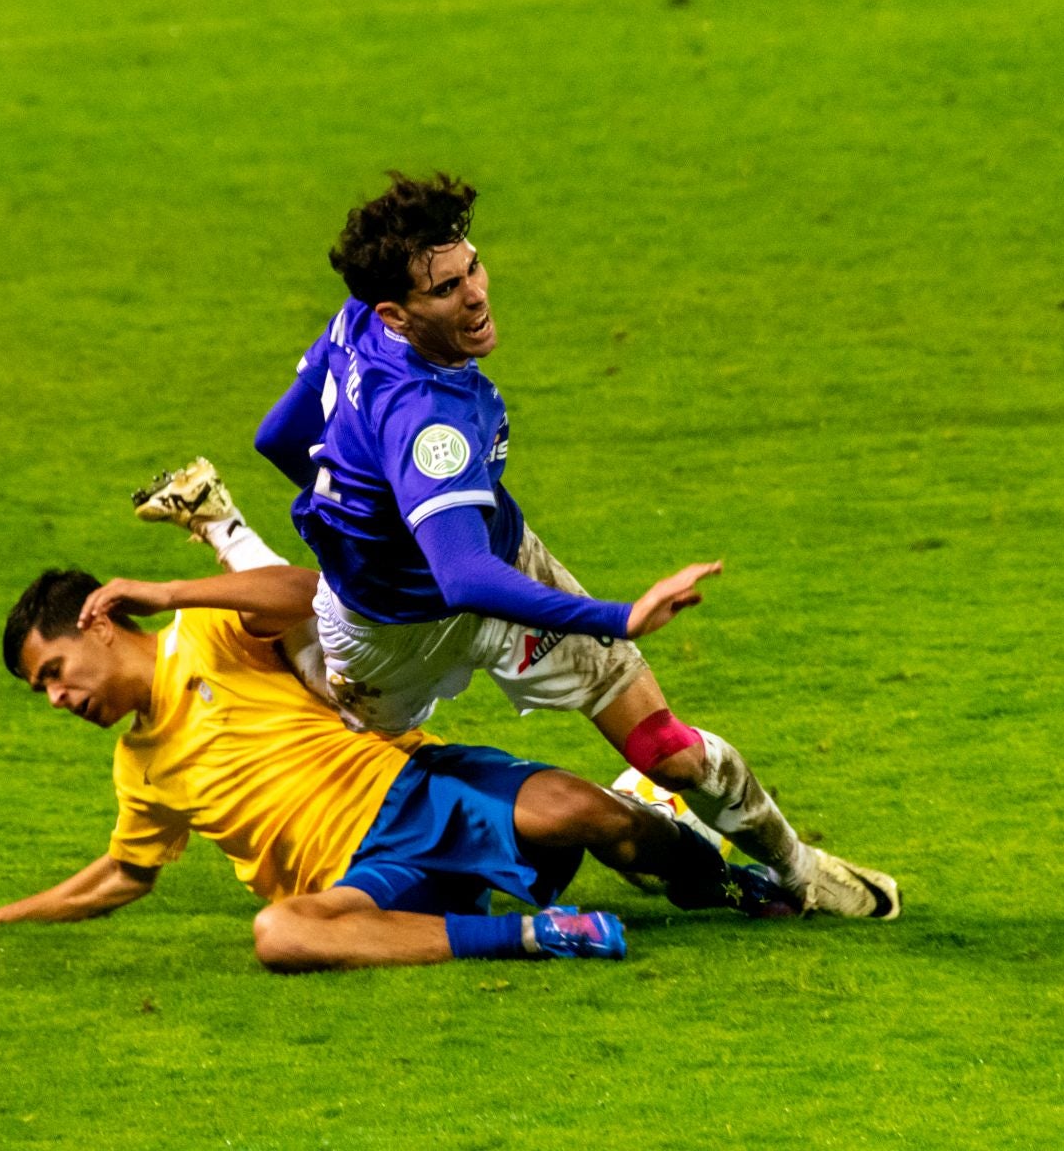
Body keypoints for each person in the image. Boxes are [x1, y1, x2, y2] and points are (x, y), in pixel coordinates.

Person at [252, 172, 899, 919]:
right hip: (399, 633)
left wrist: (384, 515)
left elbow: (277, 437)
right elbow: (460, 575)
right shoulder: (428, 418)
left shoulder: (356, 320)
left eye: (473, 267)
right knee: (369, 741)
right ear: (396, 315)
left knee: (669, 751)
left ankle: (802, 871)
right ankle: (230, 563)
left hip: (472, 575)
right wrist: (620, 617)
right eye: (446, 291)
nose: (475, 294)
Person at [0, 562, 804, 972]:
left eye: (54, 674)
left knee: (582, 811)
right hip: (363, 880)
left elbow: (312, 598)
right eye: (43, 692)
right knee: (281, 935)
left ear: (101, 622)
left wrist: (174, 588)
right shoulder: (140, 768)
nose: (58, 699)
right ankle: (539, 937)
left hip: (413, 787)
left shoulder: (206, 631)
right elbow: (122, 874)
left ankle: (721, 881)